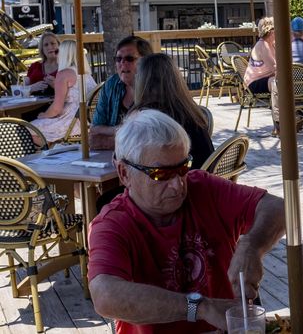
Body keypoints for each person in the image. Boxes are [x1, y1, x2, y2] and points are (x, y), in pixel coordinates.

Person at [88, 110, 286, 333]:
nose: (177, 185)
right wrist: (199, 307)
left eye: (182, 168)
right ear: (124, 173)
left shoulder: (202, 188)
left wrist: (252, 245)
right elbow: (104, 296)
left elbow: (278, 208)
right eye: (160, 174)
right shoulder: (112, 224)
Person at [132, 54, 214, 167]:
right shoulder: (186, 108)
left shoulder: (152, 119)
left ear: (142, 82)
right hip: (203, 177)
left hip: (182, 180)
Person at [89, 35, 153, 150]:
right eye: (118, 59)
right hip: (111, 159)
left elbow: (149, 137)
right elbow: (95, 130)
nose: (122, 63)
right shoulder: (111, 85)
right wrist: (123, 132)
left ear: (146, 61)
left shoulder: (156, 88)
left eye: (129, 58)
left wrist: (110, 136)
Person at [31, 40, 97, 143]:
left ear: (65, 53)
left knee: (27, 129)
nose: (55, 54)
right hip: (88, 122)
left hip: (71, 123)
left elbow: (56, 109)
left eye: (57, 51)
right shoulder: (87, 75)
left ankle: (46, 155)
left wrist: (44, 115)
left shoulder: (64, 74)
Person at [243, 17, 276, 95]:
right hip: (253, 83)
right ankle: (278, 107)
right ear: (270, 31)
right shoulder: (263, 45)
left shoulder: (271, 44)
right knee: (280, 83)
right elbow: (275, 68)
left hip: (264, 79)